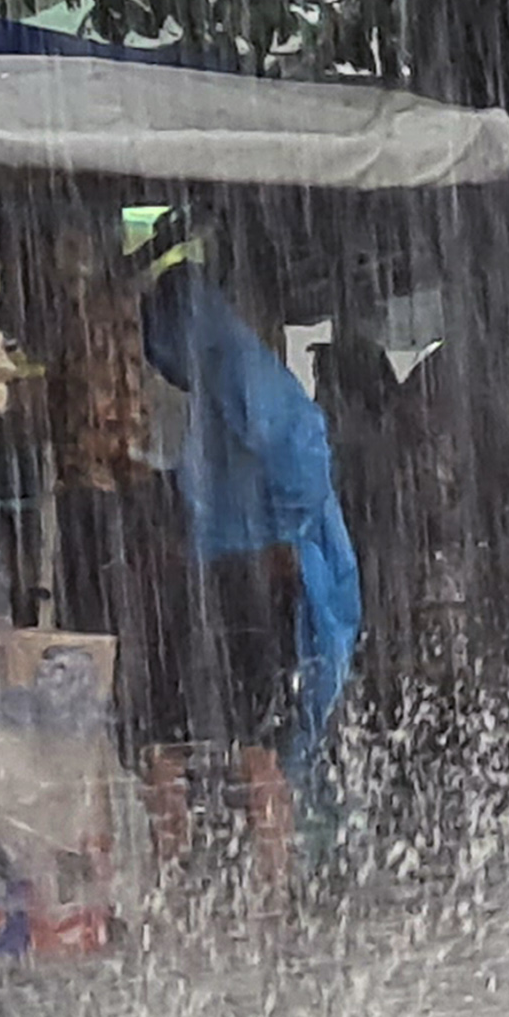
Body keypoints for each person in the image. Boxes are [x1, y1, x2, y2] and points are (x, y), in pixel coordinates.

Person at [138, 245, 364, 791]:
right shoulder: (218, 375)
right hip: (232, 572)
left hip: (258, 576)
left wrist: (283, 537)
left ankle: (270, 840)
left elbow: (300, 451)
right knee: (225, 739)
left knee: (257, 744)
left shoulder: (233, 366)